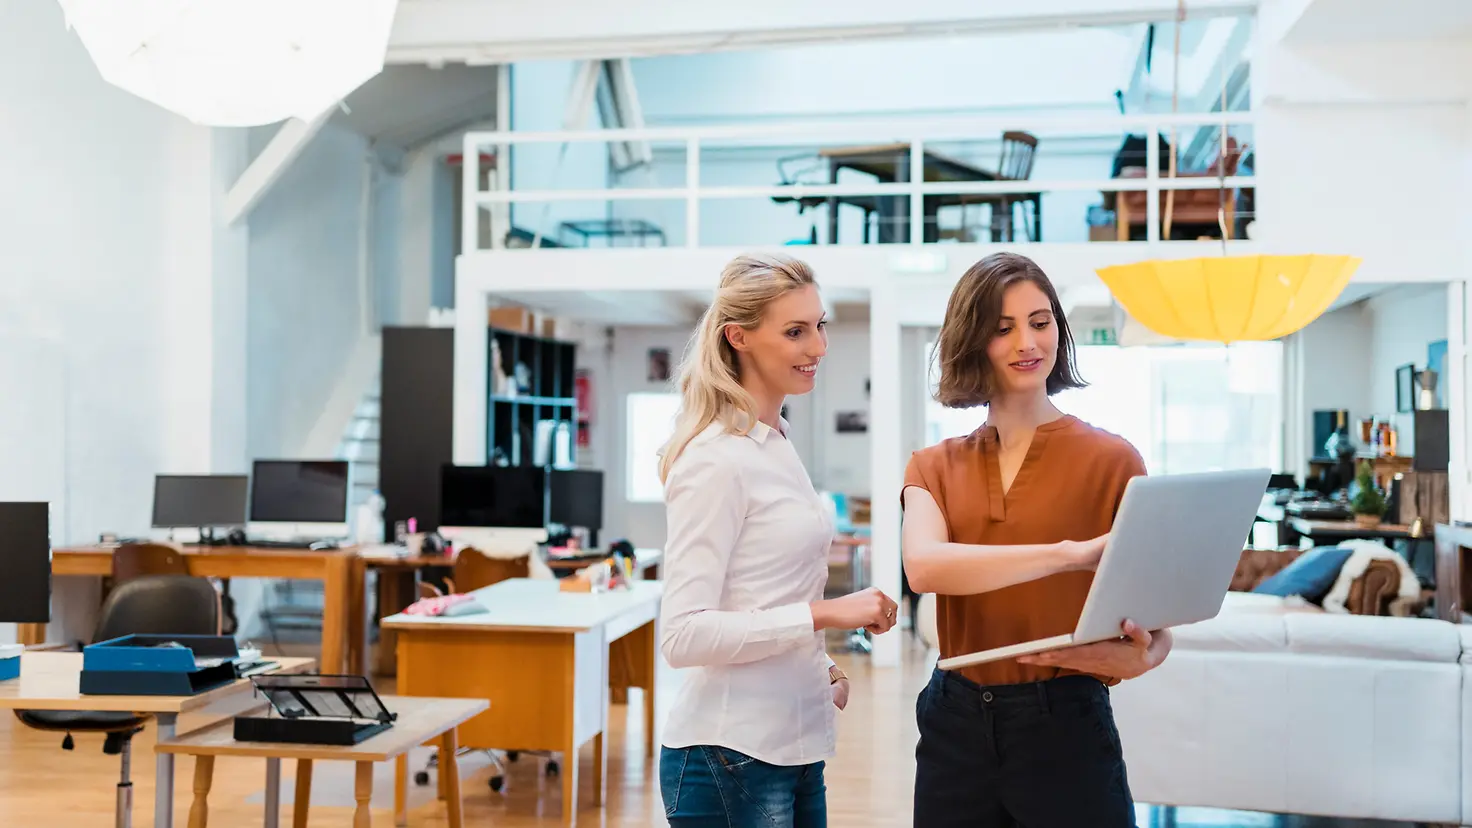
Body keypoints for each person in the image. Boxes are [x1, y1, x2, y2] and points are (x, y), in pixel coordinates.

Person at [901, 252, 1173, 827]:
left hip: (1067, 721)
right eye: (1003, 329)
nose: (1028, 341)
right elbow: (924, 567)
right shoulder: (933, 466)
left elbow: (1156, 624)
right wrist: (1068, 555)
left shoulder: (1114, 461)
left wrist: (1142, 654)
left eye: (1041, 321)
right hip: (956, 722)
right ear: (973, 342)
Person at [657, 252, 899, 828]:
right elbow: (683, 635)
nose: (817, 346)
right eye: (795, 331)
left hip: (794, 747)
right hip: (728, 755)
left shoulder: (776, 441)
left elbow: (761, 593)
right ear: (737, 337)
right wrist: (826, 614)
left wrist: (819, 671)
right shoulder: (715, 459)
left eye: (819, 326)